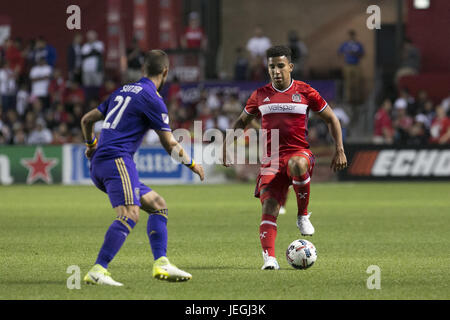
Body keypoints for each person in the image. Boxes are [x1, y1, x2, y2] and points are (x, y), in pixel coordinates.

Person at [80, 49, 205, 286]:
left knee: (158, 205)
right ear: (166, 72)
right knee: (129, 214)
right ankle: (99, 269)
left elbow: (86, 119)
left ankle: (162, 263)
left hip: (100, 163)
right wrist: (192, 164)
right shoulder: (152, 99)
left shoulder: (121, 91)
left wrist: (91, 144)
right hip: (117, 160)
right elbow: (169, 143)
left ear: (143, 70)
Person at [222, 46, 347, 270]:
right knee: (269, 207)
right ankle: (269, 259)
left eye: (280, 66)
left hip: (299, 152)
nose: (276, 71)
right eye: (272, 67)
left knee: (296, 163)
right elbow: (242, 121)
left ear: (290, 66)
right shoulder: (260, 95)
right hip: (271, 160)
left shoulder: (305, 91)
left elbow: (331, 119)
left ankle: (302, 215)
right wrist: (225, 146)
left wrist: (339, 148)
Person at [338, 30, 364, 105]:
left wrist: (355, 54)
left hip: (356, 65)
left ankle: (356, 99)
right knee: (348, 83)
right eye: (350, 35)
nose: (351, 37)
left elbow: (362, 53)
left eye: (352, 35)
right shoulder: (345, 44)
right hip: (348, 65)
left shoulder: (358, 45)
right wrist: (345, 56)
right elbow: (339, 52)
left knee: (356, 83)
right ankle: (348, 99)